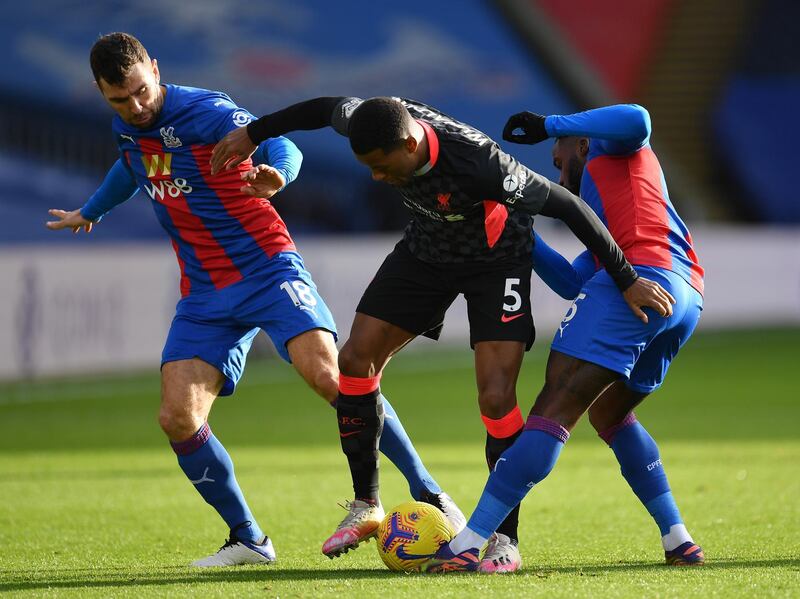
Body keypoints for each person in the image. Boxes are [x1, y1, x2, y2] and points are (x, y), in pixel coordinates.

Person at [45, 33, 463, 567]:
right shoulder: (126, 128)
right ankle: (248, 539)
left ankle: (428, 491)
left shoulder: (208, 110)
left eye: (141, 92)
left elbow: (282, 144)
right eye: (119, 100)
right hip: (203, 294)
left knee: (333, 379)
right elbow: (133, 166)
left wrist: (277, 175)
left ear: (154, 67)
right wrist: (93, 210)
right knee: (177, 417)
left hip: (267, 269)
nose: (136, 107)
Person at [210, 96, 675, 568]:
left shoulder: (482, 164)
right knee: (354, 361)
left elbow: (571, 207)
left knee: (496, 397)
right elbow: (320, 109)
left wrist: (627, 279)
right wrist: (255, 133)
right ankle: (366, 504)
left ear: (410, 144)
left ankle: (504, 541)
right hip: (427, 253)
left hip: (497, 262)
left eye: (380, 166)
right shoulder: (372, 119)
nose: (375, 176)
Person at [424, 104, 705, 573]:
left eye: (558, 159)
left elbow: (638, 119)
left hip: (641, 281)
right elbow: (575, 283)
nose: (561, 172)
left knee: (551, 410)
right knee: (610, 413)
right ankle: (678, 539)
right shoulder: (610, 206)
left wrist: (549, 125)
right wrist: (521, 231)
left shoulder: (610, 150)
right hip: (684, 296)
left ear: (581, 143)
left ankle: (469, 543)